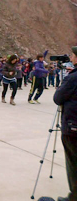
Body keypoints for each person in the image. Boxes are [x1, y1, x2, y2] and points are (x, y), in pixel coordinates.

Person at [53, 46, 77, 201]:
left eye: (74, 56)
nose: (72, 58)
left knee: (73, 163)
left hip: (73, 126)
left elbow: (58, 98)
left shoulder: (73, 77)